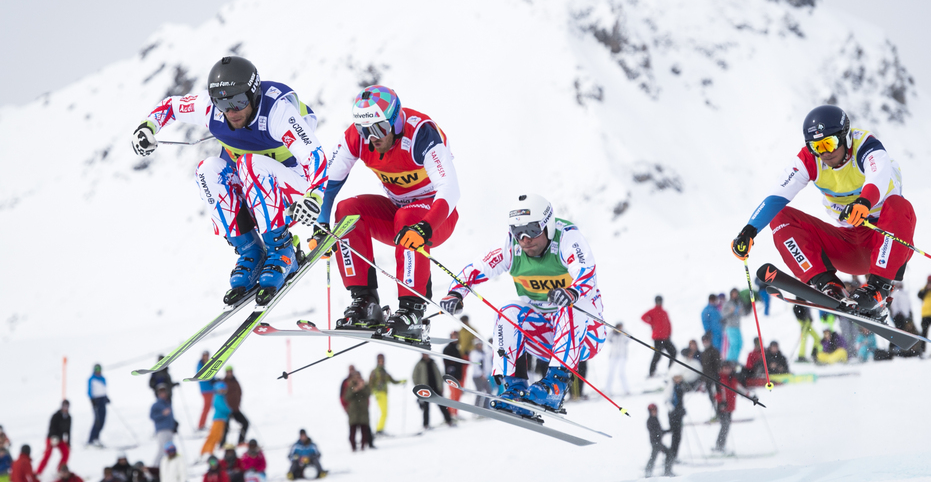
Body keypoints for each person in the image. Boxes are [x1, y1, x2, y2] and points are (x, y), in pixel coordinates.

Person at [132, 56, 329, 306]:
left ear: (254, 94)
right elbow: (171, 106)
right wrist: (148, 126)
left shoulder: (277, 112)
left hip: (295, 192)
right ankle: (252, 252)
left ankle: (282, 249)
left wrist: (314, 197)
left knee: (250, 163)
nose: (231, 111)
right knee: (207, 170)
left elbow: (315, 156)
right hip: (256, 192)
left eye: (238, 100)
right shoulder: (211, 109)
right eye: (223, 103)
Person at [732, 105, 916, 323]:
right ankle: (828, 285)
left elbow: (879, 175)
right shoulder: (811, 160)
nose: (825, 152)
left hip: (886, 243)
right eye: (816, 146)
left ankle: (877, 291)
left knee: (899, 206)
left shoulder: (866, 146)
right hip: (848, 246)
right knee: (781, 217)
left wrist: (864, 202)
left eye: (829, 143)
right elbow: (777, 195)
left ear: (845, 137)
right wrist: (749, 230)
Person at [313, 85, 460, 342]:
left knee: (408, 218)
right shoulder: (357, 138)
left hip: (437, 216)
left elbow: (449, 188)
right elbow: (329, 183)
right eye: (364, 130)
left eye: (379, 129)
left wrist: (425, 227)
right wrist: (321, 224)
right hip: (399, 211)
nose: (372, 138)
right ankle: (366, 303)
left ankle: (412, 310)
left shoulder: (421, 133)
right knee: (347, 211)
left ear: (395, 120)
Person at [439, 194, 607, 416]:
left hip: (585, 335)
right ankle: (515, 388)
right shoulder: (512, 247)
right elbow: (479, 267)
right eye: (518, 232)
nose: (525, 238)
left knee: (570, 307)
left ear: (548, 225)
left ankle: (555, 386)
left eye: (532, 230)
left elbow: (586, 271)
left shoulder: (567, 237)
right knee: (507, 311)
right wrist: (455, 292)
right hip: (548, 337)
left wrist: (572, 292)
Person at [713, 361, 748, 453]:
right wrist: (721, 402)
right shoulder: (718, 379)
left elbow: (741, 389)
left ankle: (721, 445)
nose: (727, 370)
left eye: (729, 368)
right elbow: (716, 392)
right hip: (722, 407)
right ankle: (719, 445)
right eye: (725, 368)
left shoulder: (732, 379)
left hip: (730, 407)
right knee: (725, 425)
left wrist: (751, 396)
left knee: (726, 426)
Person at [413, 354, 453, 428]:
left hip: (436, 388)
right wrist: (419, 387)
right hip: (425, 390)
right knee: (426, 408)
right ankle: (426, 425)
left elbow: (439, 375)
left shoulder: (433, 362)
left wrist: (441, 386)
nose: (426, 355)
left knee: (442, 405)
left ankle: (449, 421)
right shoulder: (419, 364)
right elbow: (414, 377)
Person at [367, 354, 404, 435]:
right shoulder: (374, 372)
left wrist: (401, 381)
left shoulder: (384, 372)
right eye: (380, 360)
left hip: (384, 393)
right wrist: (374, 392)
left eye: (382, 360)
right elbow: (370, 384)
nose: (381, 362)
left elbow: (392, 380)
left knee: (385, 412)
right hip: (379, 393)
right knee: (384, 412)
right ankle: (379, 429)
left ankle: (380, 429)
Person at [642, 296, 676, 376]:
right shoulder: (653, 311)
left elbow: (668, 323)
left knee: (673, 352)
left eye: (660, 301)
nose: (659, 302)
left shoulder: (664, 312)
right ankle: (652, 372)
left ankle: (670, 370)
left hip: (665, 337)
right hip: (657, 337)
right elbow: (643, 317)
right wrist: (652, 323)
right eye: (658, 301)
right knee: (658, 354)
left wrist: (669, 333)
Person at [37, 400, 71, 475]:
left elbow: (68, 431)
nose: (65, 408)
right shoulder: (56, 415)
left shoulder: (69, 417)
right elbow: (51, 428)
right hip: (52, 438)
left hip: (61, 439)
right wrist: (53, 437)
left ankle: (60, 470)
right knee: (47, 454)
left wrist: (68, 443)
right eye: (64, 406)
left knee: (66, 452)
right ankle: (38, 472)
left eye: (67, 406)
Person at [343, 371, 373, 451]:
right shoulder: (350, 386)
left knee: (364, 430)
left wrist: (362, 388)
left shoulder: (365, 385)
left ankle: (363, 446)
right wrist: (355, 390)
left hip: (363, 411)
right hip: (353, 412)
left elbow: (369, 393)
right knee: (353, 431)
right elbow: (346, 397)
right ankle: (353, 447)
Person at [149, 383, 177, 467]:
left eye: (164, 392)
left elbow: (170, 417)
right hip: (161, 430)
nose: (163, 394)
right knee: (162, 449)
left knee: (170, 449)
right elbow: (152, 416)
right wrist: (162, 414)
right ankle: (155, 466)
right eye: (161, 392)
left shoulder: (168, 404)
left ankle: (167, 466)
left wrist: (174, 424)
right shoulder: (156, 405)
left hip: (169, 429)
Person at [201, 382, 231, 457]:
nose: (222, 391)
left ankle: (210, 451)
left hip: (222, 419)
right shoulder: (217, 397)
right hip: (218, 419)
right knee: (213, 435)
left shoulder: (222, 397)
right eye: (221, 390)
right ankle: (206, 451)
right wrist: (229, 411)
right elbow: (220, 407)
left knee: (218, 436)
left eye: (223, 390)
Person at [222, 367, 249, 446]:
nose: (229, 373)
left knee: (245, 423)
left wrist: (238, 402)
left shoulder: (235, 381)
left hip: (235, 409)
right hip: (226, 410)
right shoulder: (223, 382)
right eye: (228, 372)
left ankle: (240, 441)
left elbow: (240, 392)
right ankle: (222, 444)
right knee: (225, 428)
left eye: (230, 372)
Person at [644, 404, 673, 478]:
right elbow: (655, 432)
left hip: (658, 443)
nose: (654, 412)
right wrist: (660, 433)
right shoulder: (650, 421)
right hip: (655, 443)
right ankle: (648, 472)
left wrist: (667, 431)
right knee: (654, 457)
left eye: (655, 410)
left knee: (667, 454)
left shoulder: (655, 419)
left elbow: (659, 431)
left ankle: (667, 471)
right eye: (652, 410)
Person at [442, 332, 466, 414]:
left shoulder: (459, 348)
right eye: (454, 336)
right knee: (454, 395)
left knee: (458, 395)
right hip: (452, 376)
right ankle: (451, 413)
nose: (456, 338)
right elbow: (446, 363)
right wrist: (451, 369)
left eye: (457, 336)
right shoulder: (447, 348)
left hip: (460, 375)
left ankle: (454, 412)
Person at [87, 363, 110, 447]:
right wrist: (92, 400)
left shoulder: (103, 378)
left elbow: (103, 389)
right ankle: (91, 439)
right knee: (97, 420)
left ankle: (97, 438)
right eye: (96, 369)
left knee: (103, 420)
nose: (98, 371)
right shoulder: (91, 379)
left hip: (102, 400)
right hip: (95, 401)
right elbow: (89, 391)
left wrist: (106, 397)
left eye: (99, 369)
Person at [666, 373, 687, 462]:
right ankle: (672, 456)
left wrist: (681, 409)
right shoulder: (671, 387)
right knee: (675, 436)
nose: (678, 380)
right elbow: (667, 401)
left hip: (678, 414)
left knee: (678, 436)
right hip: (673, 415)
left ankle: (674, 456)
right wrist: (675, 410)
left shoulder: (680, 386)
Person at [699, 333, 721, 417]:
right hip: (707, 378)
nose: (705, 342)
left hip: (715, 378)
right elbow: (703, 367)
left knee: (717, 396)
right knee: (711, 397)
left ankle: (719, 412)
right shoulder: (703, 353)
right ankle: (717, 412)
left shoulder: (714, 351)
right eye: (703, 341)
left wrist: (715, 375)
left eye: (706, 340)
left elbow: (718, 364)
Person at [605, 322, 630, 395]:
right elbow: (608, 339)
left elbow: (629, 339)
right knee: (610, 373)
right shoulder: (612, 334)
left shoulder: (624, 333)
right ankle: (608, 390)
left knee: (621, 373)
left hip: (622, 355)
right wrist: (613, 331)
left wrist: (623, 332)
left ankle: (626, 390)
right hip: (613, 356)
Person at [721, 289, 744, 362]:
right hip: (730, 326)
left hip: (737, 326)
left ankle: (735, 360)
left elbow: (743, 313)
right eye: (733, 294)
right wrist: (730, 311)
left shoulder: (739, 302)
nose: (735, 295)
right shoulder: (728, 303)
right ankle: (729, 361)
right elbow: (723, 314)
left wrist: (741, 311)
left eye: (736, 293)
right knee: (733, 344)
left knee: (740, 343)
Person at [468, 341, 492, 408]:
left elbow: (487, 364)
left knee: (488, 391)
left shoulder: (483, 353)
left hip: (484, 375)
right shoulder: (474, 353)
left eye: (481, 344)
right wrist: (481, 374)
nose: (480, 346)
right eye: (478, 344)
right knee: (479, 392)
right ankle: (476, 409)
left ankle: (485, 407)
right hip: (478, 376)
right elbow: (476, 365)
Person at [196, 352, 214, 431]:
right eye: (205, 356)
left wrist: (214, 380)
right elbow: (202, 376)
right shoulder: (200, 365)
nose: (206, 357)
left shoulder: (209, 363)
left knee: (214, 406)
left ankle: (219, 423)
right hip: (206, 390)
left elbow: (212, 374)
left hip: (211, 389)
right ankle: (201, 425)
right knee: (207, 407)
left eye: (207, 356)